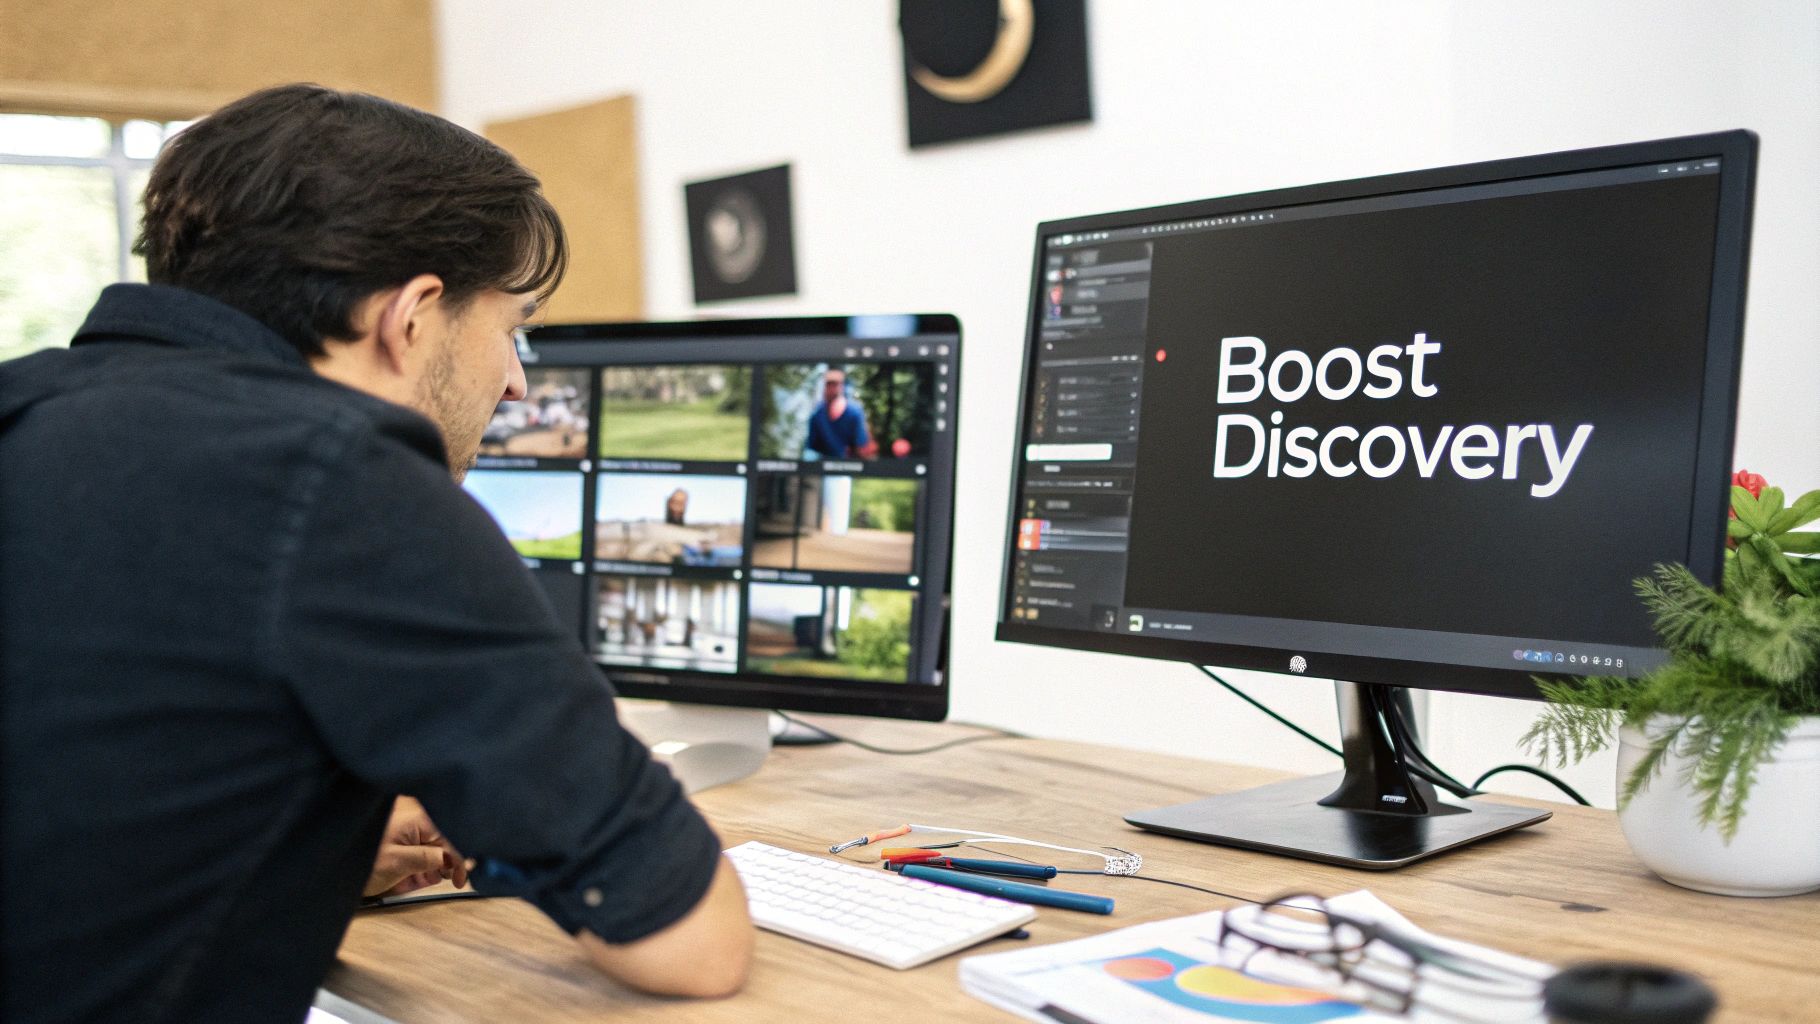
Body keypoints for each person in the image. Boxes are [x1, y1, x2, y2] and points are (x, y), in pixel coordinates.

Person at [0, 84, 752, 1023]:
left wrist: (321, 838)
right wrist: (518, 825)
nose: (518, 382)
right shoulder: (342, 481)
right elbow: (694, 942)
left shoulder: (28, 407)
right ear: (412, 316)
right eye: (513, 328)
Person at [803, 367, 874, 459]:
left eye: (835, 384)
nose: (832, 389)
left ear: (842, 386)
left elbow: (861, 446)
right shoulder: (817, 414)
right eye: (828, 384)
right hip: (823, 462)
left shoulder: (855, 412)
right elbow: (811, 447)